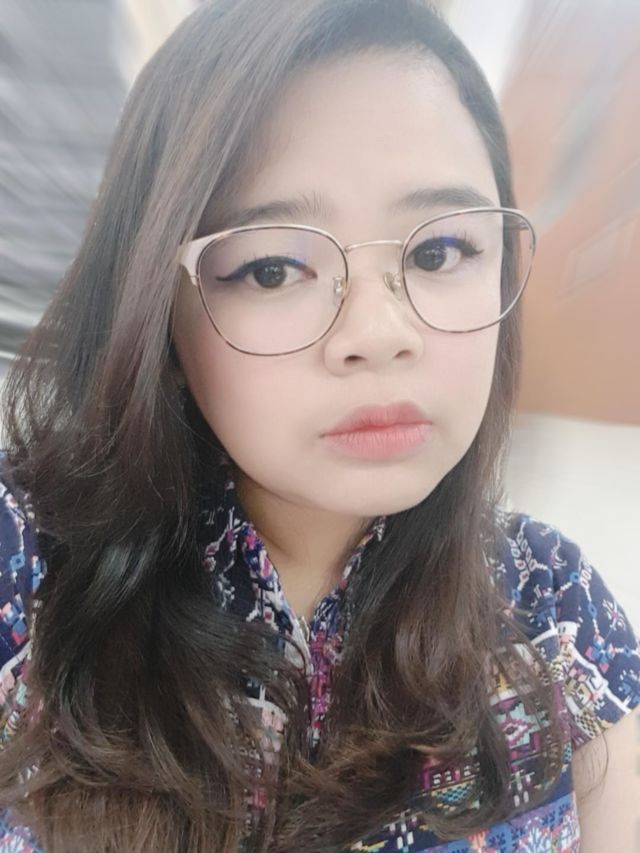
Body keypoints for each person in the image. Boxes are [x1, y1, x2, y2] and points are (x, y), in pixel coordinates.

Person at [0, 0, 638, 850]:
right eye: (272, 267)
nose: (379, 333)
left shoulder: (552, 605)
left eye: (439, 252)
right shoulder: (26, 569)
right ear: (159, 307)